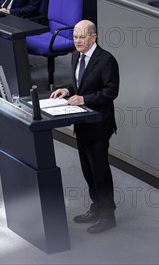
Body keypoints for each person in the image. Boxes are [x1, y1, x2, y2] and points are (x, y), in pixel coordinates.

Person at [50, 19, 119, 234]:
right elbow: (80, 84)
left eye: (82, 37)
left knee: (99, 171)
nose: (77, 41)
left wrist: (84, 99)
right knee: (87, 170)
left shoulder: (106, 60)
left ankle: (108, 215)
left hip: (98, 124)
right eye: (75, 37)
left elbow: (110, 91)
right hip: (81, 123)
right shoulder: (75, 56)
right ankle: (96, 207)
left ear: (93, 37)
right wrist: (68, 91)